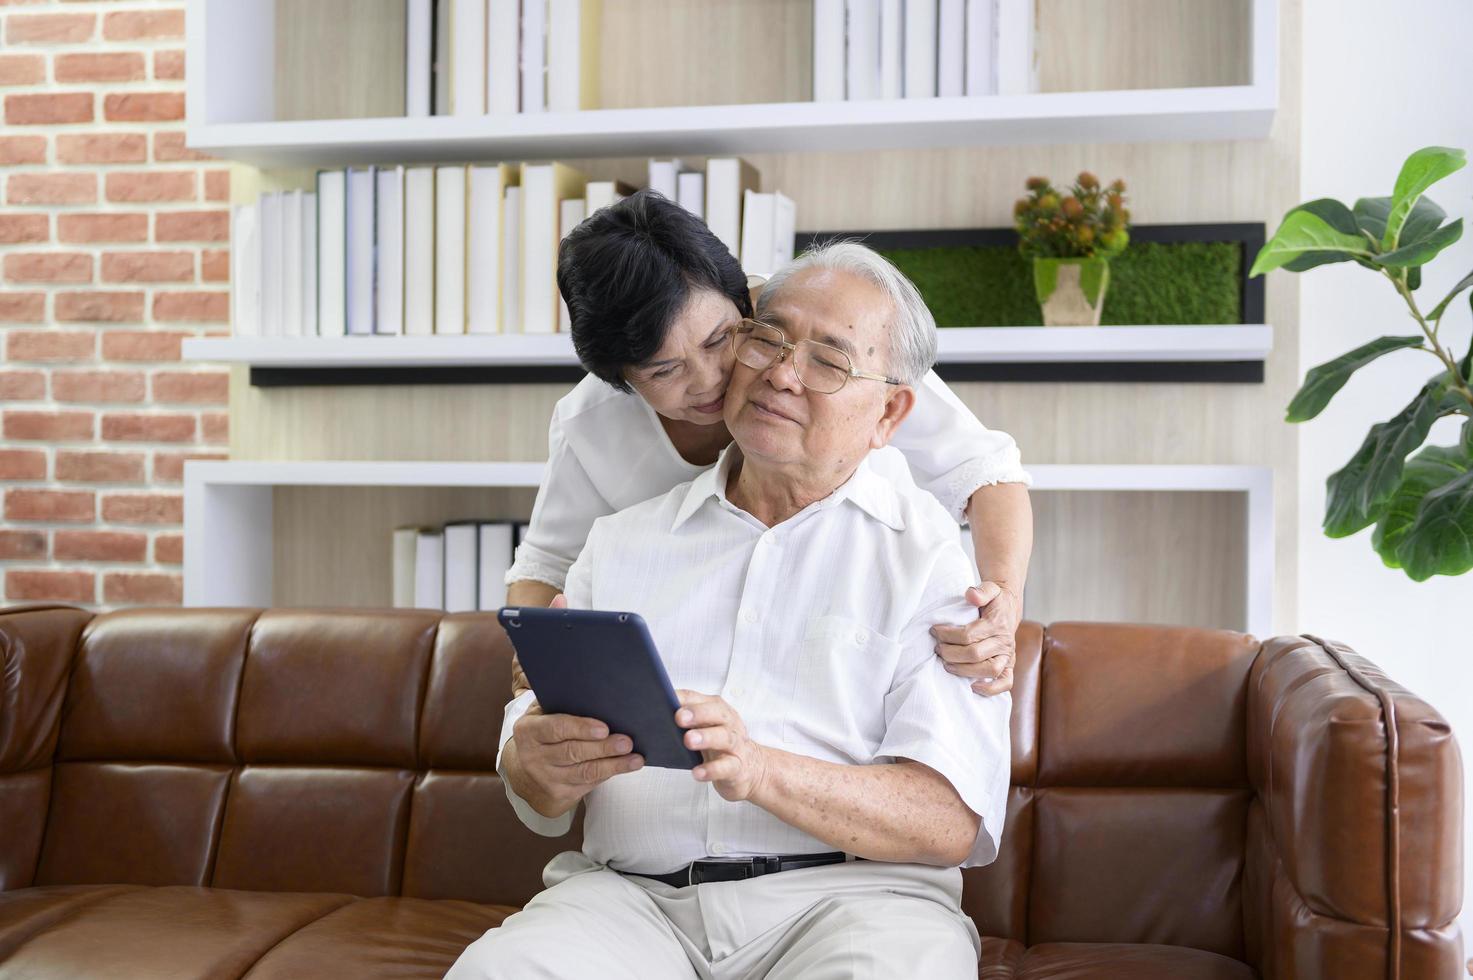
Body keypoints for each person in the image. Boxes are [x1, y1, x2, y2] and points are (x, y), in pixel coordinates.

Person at [447, 241, 1010, 979]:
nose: (780, 374)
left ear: (889, 413)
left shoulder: (932, 564)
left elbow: (946, 820)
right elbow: (533, 771)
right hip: (629, 905)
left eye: (828, 361)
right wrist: (533, 761)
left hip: (857, 904)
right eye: (768, 339)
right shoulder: (616, 545)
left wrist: (761, 768)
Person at [505, 190, 1033, 698]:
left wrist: (1003, 603)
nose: (710, 379)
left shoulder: (812, 327)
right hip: (694, 646)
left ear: (744, 302)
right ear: (620, 379)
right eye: (664, 370)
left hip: (844, 611)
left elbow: (986, 470)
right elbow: (545, 566)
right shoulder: (590, 423)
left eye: (722, 340)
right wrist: (540, 658)